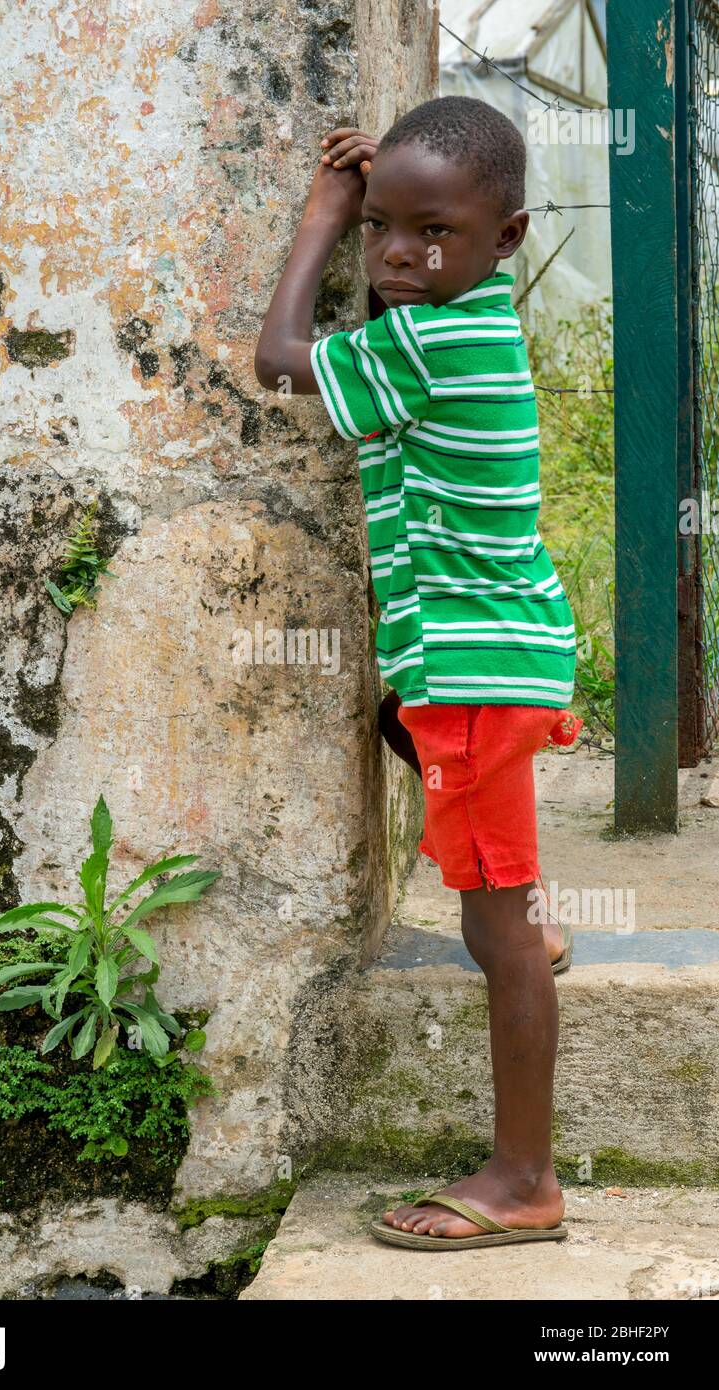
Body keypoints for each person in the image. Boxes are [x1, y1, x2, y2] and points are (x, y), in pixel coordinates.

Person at [254, 96, 583, 1251]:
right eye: (383, 226)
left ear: (507, 238)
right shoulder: (470, 314)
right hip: (486, 656)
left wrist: (323, 216)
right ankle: (522, 919)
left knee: (488, 928)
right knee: (403, 725)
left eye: (432, 232)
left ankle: (524, 1178)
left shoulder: (431, 338)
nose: (398, 254)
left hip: (480, 672)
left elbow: (281, 361)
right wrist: (374, 203)